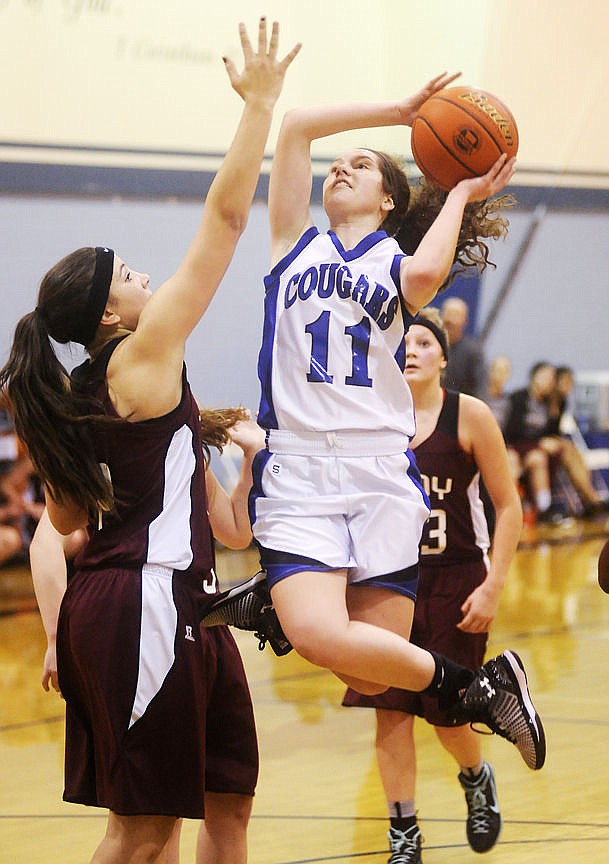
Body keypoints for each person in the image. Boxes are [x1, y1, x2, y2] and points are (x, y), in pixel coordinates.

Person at [0, 19, 300, 864]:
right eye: (130, 274)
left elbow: (64, 523)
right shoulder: (139, 357)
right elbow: (227, 217)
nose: (146, 278)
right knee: (140, 834)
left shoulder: (76, 396)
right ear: (106, 314)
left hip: (179, 605)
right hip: (146, 605)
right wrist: (260, 106)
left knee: (225, 804)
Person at [240, 77, 545, 772]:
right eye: (335, 163)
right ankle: (483, 688)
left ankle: (273, 603)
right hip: (299, 470)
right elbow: (293, 127)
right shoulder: (292, 245)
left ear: (387, 201)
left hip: (379, 474)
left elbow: (436, 263)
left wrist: (463, 192)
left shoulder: (399, 268)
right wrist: (399, 113)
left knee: (369, 676)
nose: (338, 166)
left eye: (361, 165)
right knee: (320, 635)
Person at [30, 413, 264, 864]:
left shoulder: (182, 440)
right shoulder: (111, 443)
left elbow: (236, 530)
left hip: (206, 622)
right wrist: (56, 639)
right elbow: (46, 544)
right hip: (151, 621)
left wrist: (253, 457)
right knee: (153, 822)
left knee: (231, 798)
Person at [343, 308, 523, 863]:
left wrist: (494, 585)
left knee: (449, 715)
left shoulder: (469, 416)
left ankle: (476, 775)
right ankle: (404, 836)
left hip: (456, 580)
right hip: (389, 581)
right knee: (391, 711)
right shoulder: (374, 418)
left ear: (444, 357)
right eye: (406, 342)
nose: (413, 350)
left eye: (425, 342)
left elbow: (509, 505)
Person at [504, 361, 607, 523]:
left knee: (568, 448)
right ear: (534, 377)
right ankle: (544, 509)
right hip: (522, 448)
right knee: (538, 458)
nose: (549, 381)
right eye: (545, 376)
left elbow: (552, 433)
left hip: (540, 447)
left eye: (551, 378)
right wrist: (540, 442)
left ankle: (590, 499)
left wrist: (554, 411)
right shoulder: (519, 398)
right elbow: (512, 432)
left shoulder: (551, 402)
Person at [440, 295, 485, 396]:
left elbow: (480, 389)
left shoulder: (473, 351)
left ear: (465, 322)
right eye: (447, 313)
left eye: (455, 315)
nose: (449, 320)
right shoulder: (430, 346)